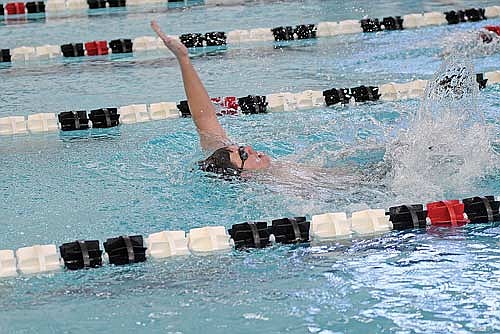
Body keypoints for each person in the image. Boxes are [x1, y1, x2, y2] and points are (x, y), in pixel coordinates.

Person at [151, 20, 271, 177]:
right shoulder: (285, 188)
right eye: (243, 155)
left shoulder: (228, 159)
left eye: (241, 149)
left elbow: (204, 116)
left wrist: (183, 58)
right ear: (243, 175)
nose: (248, 148)